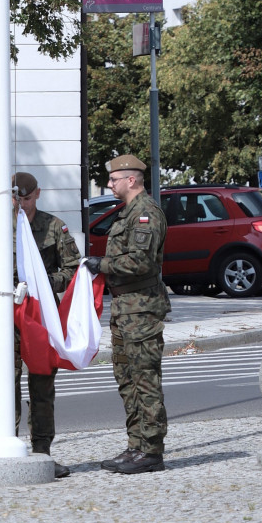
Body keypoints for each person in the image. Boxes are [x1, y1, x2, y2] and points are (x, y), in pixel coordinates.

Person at [0, 172, 81, 478]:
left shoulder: (53, 226)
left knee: (42, 385)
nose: (20, 203)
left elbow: (73, 269)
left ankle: (42, 454)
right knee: (6, 385)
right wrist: (6, 290)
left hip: (41, 317)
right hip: (7, 317)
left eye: (26, 197)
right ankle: (10, 448)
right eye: (15, 198)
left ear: (37, 194)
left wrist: (45, 283)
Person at [83, 155, 170, 474]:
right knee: (126, 379)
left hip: (142, 309)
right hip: (125, 308)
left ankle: (151, 451)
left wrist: (101, 265)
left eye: (114, 179)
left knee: (145, 379)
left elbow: (141, 262)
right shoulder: (128, 213)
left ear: (131, 180)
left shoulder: (146, 214)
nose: (110, 184)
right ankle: (135, 445)